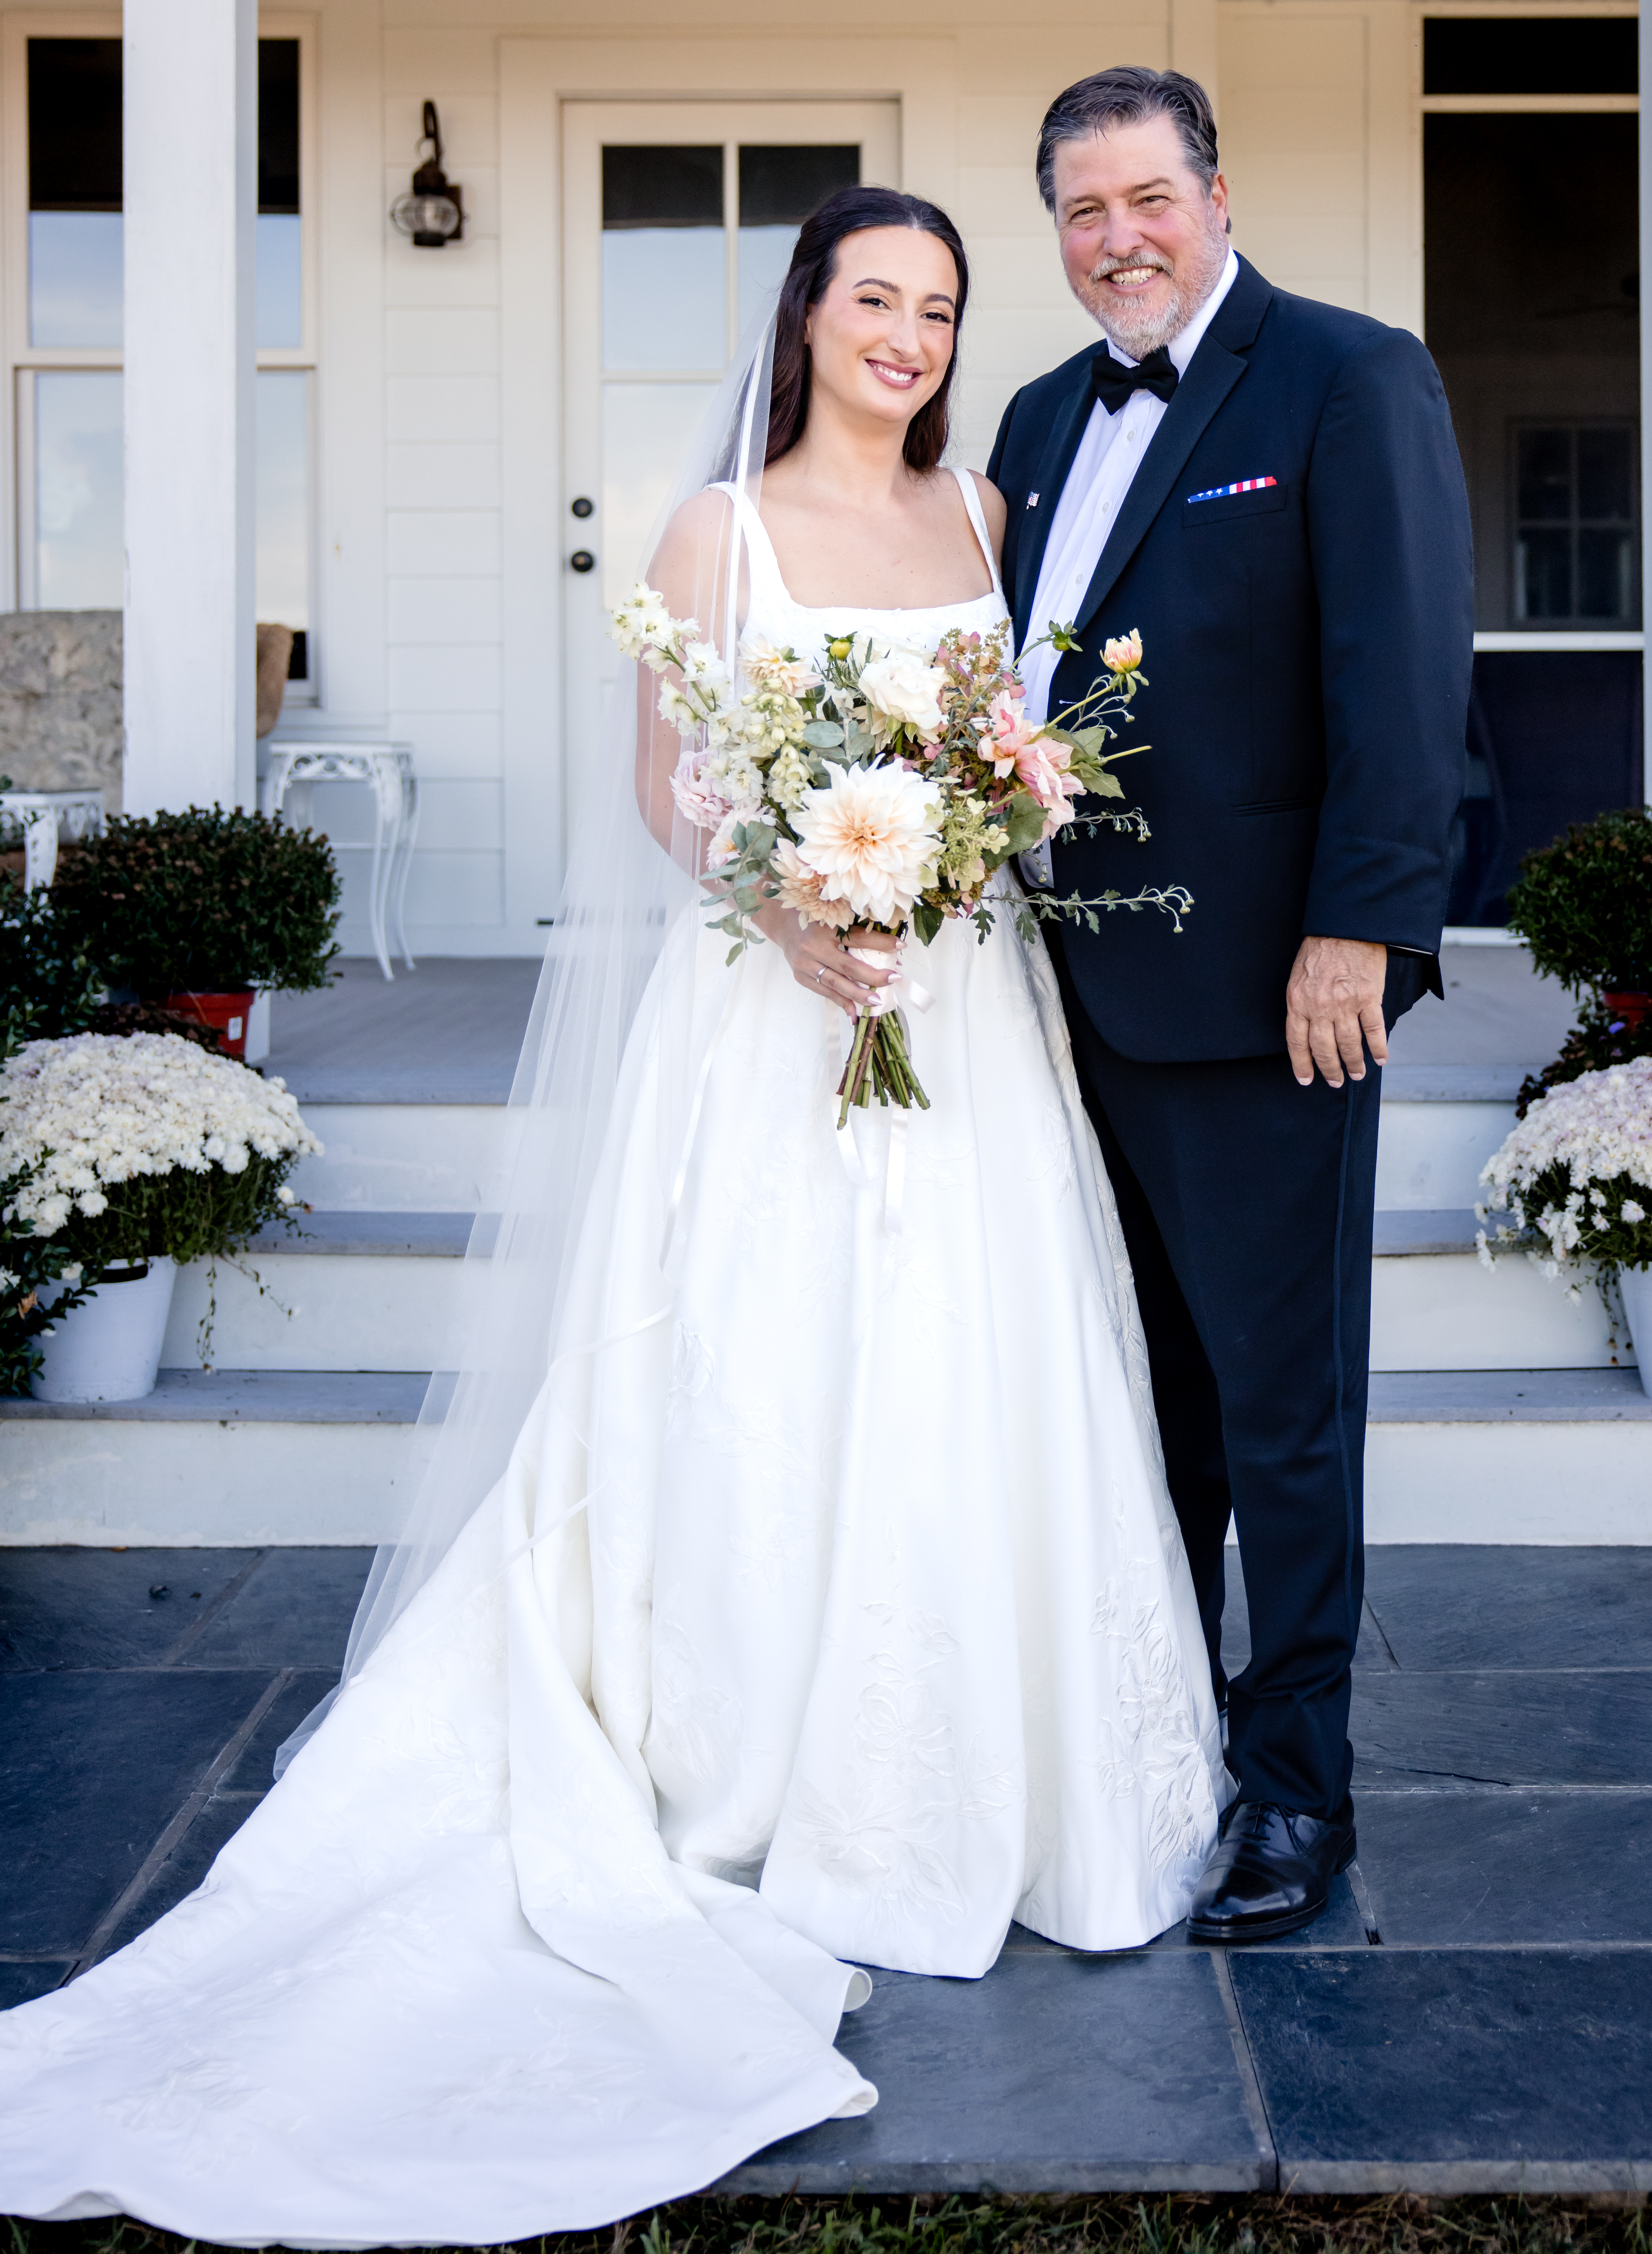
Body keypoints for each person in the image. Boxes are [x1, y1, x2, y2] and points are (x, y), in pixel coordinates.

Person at [0, 186, 1224, 2245]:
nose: (907, 338)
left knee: (967, 1365)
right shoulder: (715, 533)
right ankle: (741, 1767)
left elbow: (1010, 755)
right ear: (806, 312)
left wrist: (955, 852)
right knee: (758, 1366)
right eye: (873, 301)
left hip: (964, 1017)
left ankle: (986, 1779)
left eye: (935, 307)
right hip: (766, 1016)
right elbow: (675, 782)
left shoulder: (986, 526)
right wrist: (796, 902)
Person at [989, 67, 1472, 1945]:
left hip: (1277, 996)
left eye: (1146, 198)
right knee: (1137, 1405)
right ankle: (1161, 1743)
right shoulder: (1034, 417)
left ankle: (1297, 1791)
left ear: (1214, 190)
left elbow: (1405, 674)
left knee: (1281, 1418)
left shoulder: (1350, 377)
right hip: (1054, 1003)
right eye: (1081, 209)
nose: (1118, 237)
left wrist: (1362, 927)